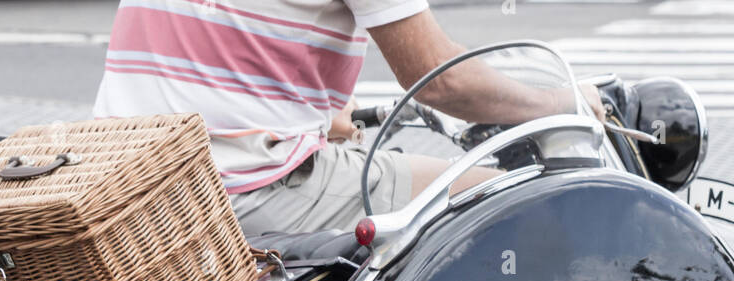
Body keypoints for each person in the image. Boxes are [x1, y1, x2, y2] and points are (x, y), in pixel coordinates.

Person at [93, 0, 604, 234]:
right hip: (241, 185)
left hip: (128, 178)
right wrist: (560, 103)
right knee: (515, 201)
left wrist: (310, 113)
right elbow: (440, 76)